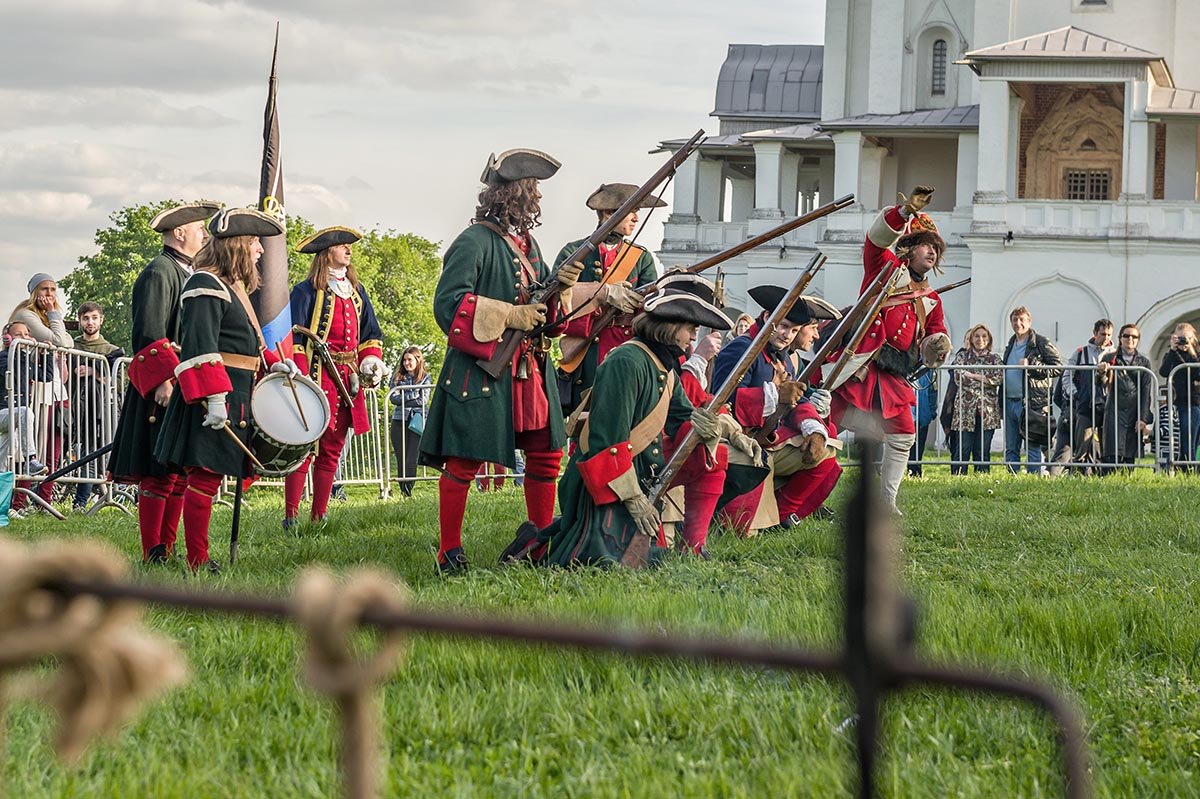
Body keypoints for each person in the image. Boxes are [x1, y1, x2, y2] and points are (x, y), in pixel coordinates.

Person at [504, 273, 746, 566]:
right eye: (690, 328)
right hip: (606, 476)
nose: (694, 336)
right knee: (603, 561)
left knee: (648, 558)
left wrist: (716, 427)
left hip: (639, 469)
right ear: (671, 327)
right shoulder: (627, 362)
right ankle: (534, 545)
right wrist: (633, 497)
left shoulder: (663, 365)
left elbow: (681, 416)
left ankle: (693, 546)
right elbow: (607, 440)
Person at [419, 148, 584, 574]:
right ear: (513, 193)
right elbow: (449, 306)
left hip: (529, 367)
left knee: (546, 457)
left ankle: (539, 541)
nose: (538, 199)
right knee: (464, 460)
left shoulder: (530, 246)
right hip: (484, 369)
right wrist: (509, 315)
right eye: (533, 190)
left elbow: (547, 316)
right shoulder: (472, 241)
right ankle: (449, 551)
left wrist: (560, 289)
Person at [154, 207, 299, 572]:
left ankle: (193, 555)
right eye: (254, 243)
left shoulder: (230, 286)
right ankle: (197, 560)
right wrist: (213, 398)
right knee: (203, 476)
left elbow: (242, 340)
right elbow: (201, 344)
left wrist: (271, 362)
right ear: (238, 245)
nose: (261, 251)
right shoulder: (204, 283)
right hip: (215, 394)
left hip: (234, 392)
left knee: (211, 475)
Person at [826, 186, 951, 514]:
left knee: (904, 434)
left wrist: (937, 347)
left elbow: (934, 335)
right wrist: (903, 213)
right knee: (824, 423)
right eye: (927, 245)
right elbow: (875, 240)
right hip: (861, 363)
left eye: (936, 248)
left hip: (893, 371)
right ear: (909, 247)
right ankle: (809, 485)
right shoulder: (883, 268)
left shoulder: (931, 299)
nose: (933, 253)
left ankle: (887, 501)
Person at [109, 201, 220, 563]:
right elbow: (149, 333)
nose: (205, 234)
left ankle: (167, 549)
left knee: (176, 471)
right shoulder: (160, 270)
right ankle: (151, 552)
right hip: (163, 383)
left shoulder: (188, 272)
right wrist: (163, 380)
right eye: (199, 228)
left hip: (181, 381)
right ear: (179, 232)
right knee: (157, 474)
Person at [713, 287, 842, 533]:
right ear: (766, 317)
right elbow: (722, 398)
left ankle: (780, 517)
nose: (787, 335)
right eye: (783, 326)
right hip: (737, 442)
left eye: (793, 331)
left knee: (824, 452)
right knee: (739, 529)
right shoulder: (741, 349)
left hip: (766, 440)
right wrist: (773, 395)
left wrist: (813, 427)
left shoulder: (780, 356)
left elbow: (796, 398)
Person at [283, 227, 385, 529]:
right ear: (327, 253)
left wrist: (370, 363)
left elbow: (371, 335)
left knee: (333, 447)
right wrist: (302, 377)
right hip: (317, 375)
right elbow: (294, 337)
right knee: (305, 445)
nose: (348, 250)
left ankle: (319, 515)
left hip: (348, 378)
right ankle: (290, 515)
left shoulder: (357, 292)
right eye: (342, 246)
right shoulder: (305, 291)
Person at [555, 182, 660, 413]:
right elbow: (555, 300)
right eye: (631, 211)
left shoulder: (640, 258)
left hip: (625, 347)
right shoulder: (573, 252)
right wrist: (602, 294)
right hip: (585, 349)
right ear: (608, 213)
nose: (635, 219)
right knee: (582, 419)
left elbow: (650, 309)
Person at [9, 273, 72, 510]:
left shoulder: (50, 317)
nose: (49, 295)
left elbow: (67, 343)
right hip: (37, 393)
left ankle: (46, 500)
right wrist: (56, 315)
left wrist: (56, 319)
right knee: (31, 449)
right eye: (44, 289)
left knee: (53, 452)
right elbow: (61, 340)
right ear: (35, 292)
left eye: (53, 290)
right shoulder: (26, 315)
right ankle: (19, 501)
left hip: (57, 391)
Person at [70, 302, 125, 510]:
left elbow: (117, 382)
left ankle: (82, 500)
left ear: (101, 319)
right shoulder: (71, 345)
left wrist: (94, 372)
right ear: (79, 321)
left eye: (94, 317)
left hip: (100, 411)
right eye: (85, 318)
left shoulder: (111, 350)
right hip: (71, 408)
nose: (90, 322)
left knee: (93, 452)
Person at [1000, 307, 1062, 474]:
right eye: (1014, 320)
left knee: (1032, 443)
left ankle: (1033, 478)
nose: (1018, 323)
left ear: (1029, 321)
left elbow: (1058, 367)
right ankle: (1012, 477)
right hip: (1009, 400)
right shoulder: (1011, 344)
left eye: (1022, 320)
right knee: (1011, 445)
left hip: (1030, 401)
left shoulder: (1040, 342)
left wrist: (1033, 366)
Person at [1049, 319, 1114, 476]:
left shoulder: (1114, 354)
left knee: (1106, 443)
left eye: (1109, 334)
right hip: (1084, 405)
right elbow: (1067, 376)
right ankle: (1079, 472)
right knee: (1083, 442)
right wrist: (1075, 394)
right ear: (1094, 333)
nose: (1105, 338)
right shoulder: (1080, 353)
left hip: (1108, 405)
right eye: (1102, 334)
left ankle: (1104, 474)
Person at [945, 324, 1002, 474]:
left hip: (987, 412)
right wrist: (984, 378)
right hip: (965, 410)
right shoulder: (962, 356)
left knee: (982, 450)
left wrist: (972, 375)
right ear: (971, 339)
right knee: (962, 449)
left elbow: (997, 379)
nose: (980, 339)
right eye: (977, 336)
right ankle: (958, 480)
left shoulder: (994, 359)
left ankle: (981, 481)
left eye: (984, 336)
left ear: (989, 339)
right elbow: (958, 377)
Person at [0, 322, 50, 484]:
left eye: (27, 335)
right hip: (3, 412)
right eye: (19, 335)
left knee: (2, 457)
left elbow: (46, 376)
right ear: (7, 339)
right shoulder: (4, 357)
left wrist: (44, 354)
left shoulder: (26, 360)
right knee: (25, 412)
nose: (24, 338)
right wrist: (18, 351)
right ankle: (31, 459)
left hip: (12, 417)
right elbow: (9, 371)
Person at [1098, 324, 1153, 471]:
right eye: (1126, 336)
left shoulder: (1143, 362)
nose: (1130, 339)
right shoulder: (1110, 357)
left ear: (1138, 340)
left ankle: (1126, 480)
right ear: (1120, 338)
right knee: (1111, 447)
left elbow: (1146, 391)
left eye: (1134, 336)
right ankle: (1108, 477)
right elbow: (1101, 385)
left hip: (1134, 409)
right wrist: (1102, 373)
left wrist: (1143, 418)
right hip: (1114, 407)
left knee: (1130, 449)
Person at [387, 346, 430, 497]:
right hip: (399, 420)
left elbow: (423, 400)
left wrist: (403, 399)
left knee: (412, 457)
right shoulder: (397, 377)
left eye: (409, 360)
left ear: (417, 360)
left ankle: (408, 490)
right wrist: (411, 398)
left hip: (417, 421)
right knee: (401, 457)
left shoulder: (425, 377)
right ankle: (402, 488)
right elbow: (393, 398)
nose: (406, 363)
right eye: (404, 360)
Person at [1158, 322, 1200, 469]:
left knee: (1190, 438)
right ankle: (1174, 468)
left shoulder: (1197, 355)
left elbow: (1197, 374)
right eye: (1180, 338)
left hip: (1192, 402)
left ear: (1193, 338)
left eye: (1186, 338)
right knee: (1174, 439)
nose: (1183, 341)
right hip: (1174, 402)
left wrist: (1192, 352)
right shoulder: (1171, 354)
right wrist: (1172, 350)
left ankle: (1190, 468)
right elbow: (1163, 372)